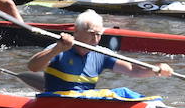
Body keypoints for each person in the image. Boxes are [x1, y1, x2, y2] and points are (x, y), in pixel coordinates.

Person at [27, 11, 172, 96]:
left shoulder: (101, 54)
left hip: (85, 102)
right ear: (76, 31)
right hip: (57, 101)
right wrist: (56, 50)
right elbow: (32, 67)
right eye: (91, 34)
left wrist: (157, 69)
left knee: (124, 92)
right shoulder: (61, 48)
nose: (95, 40)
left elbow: (133, 70)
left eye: (99, 35)